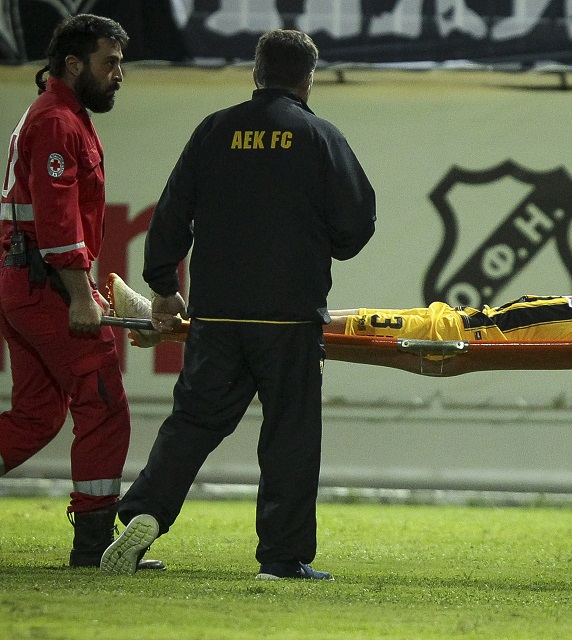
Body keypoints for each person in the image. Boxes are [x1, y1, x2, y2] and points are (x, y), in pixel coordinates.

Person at [99, 29, 377, 579]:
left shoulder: (214, 130)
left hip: (218, 315)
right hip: (289, 317)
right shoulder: (320, 137)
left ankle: (145, 512)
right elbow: (357, 222)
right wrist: (323, 244)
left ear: (255, 73)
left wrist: (163, 287)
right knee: (290, 436)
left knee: (193, 423)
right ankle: (281, 558)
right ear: (308, 79)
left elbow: (170, 214)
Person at [0, 14, 162, 570]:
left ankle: (94, 541)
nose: (119, 74)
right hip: (46, 285)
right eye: (109, 63)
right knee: (103, 403)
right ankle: (94, 547)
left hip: (26, 282)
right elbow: (57, 219)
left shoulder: (60, 116)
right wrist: (78, 294)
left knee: (37, 416)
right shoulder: (58, 122)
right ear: (73, 64)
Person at [108, 225, 572, 345]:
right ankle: (173, 328)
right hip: (455, 326)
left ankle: (175, 329)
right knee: (319, 324)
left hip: (455, 330)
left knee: (318, 325)